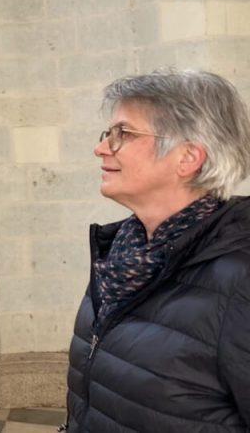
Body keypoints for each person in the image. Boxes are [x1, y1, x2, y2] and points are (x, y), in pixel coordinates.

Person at [64, 69, 250, 432]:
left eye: (124, 134)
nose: (101, 148)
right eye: (108, 134)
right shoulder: (120, 257)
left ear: (188, 157)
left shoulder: (241, 281)